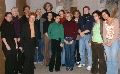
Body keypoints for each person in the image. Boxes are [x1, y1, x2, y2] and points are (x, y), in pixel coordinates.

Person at [101, 9, 119, 74]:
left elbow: (117, 32)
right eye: (103, 15)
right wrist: (105, 42)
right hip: (107, 41)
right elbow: (104, 33)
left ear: (108, 13)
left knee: (114, 59)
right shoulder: (104, 22)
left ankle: (114, 72)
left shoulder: (115, 20)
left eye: (105, 14)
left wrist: (111, 42)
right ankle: (109, 72)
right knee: (108, 59)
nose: (104, 16)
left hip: (114, 41)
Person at [77, 6, 94, 71]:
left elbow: (90, 28)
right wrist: (80, 32)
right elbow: (78, 27)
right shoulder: (81, 18)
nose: (85, 11)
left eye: (86, 10)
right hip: (81, 36)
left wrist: (83, 32)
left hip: (88, 36)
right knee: (81, 50)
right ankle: (82, 62)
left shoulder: (91, 18)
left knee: (89, 51)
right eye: (84, 10)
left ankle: (90, 64)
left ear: (89, 10)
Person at [11, 7, 22, 74]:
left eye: (16, 10)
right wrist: (15, 37)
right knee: (14, 55)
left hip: (20, 38)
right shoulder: (10, 19)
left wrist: (20, 37)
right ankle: (15, 70)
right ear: (12, 12)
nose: (15, 11)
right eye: (14, 10)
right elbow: (11, 31)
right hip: (13, 39)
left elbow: (22, 29)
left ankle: (19, 68)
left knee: (20, 55)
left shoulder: (19, 19)